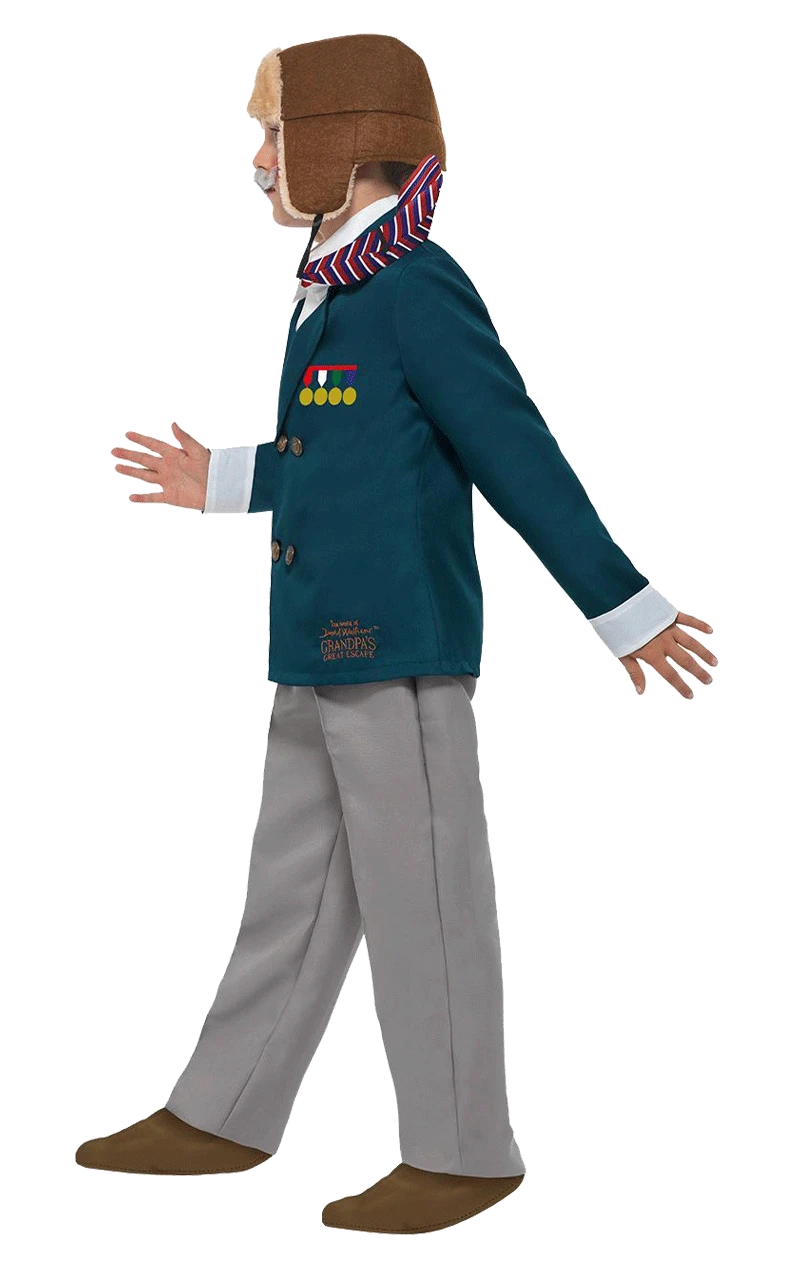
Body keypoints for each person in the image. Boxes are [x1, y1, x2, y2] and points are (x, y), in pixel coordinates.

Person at [87, 34, 716, 1231]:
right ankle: (224, 1112)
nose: (258, 158)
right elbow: (340, 462)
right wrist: (220, 479)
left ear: (341, 141)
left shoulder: (414, 285)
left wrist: (622, 607)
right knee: (290, 889)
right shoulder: (334, 291)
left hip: (396, 647)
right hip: (314, 638)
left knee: (423, 894)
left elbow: (515, 453)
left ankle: (462, 1147)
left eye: (272, 134)